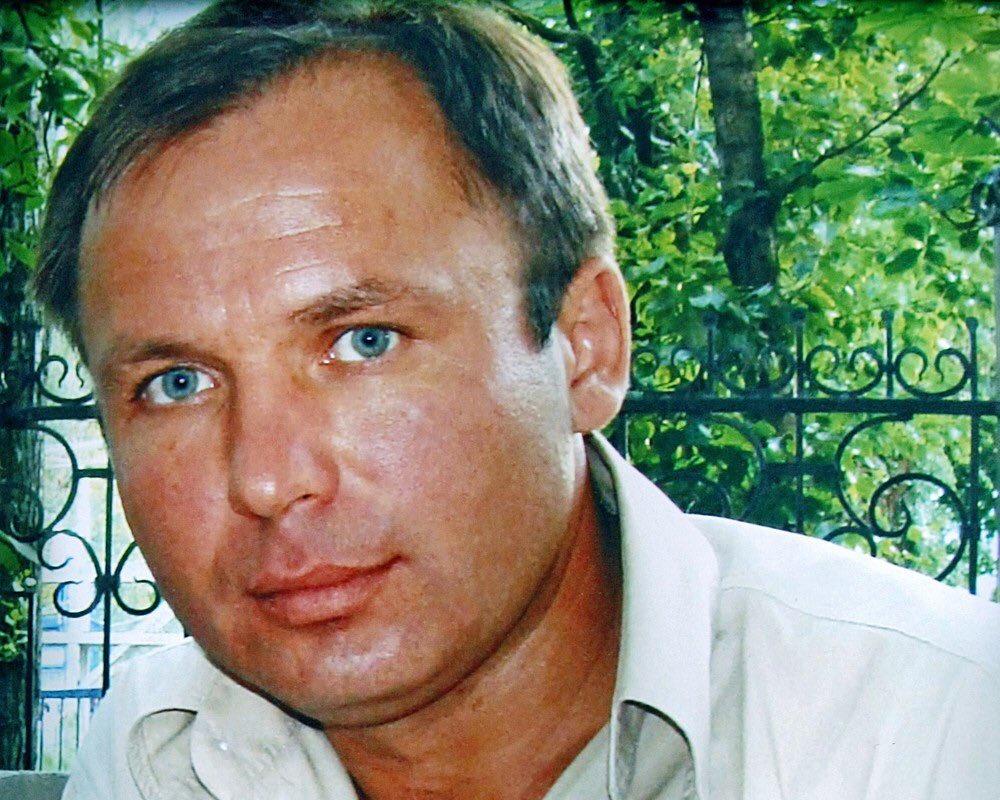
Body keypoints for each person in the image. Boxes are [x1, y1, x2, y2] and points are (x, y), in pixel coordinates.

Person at [32, 2, 999, 798]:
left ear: (586, 346)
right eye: (177, 384)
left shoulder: (935, 732)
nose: (268, 479)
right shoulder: (158, 756)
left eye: (364, 341)